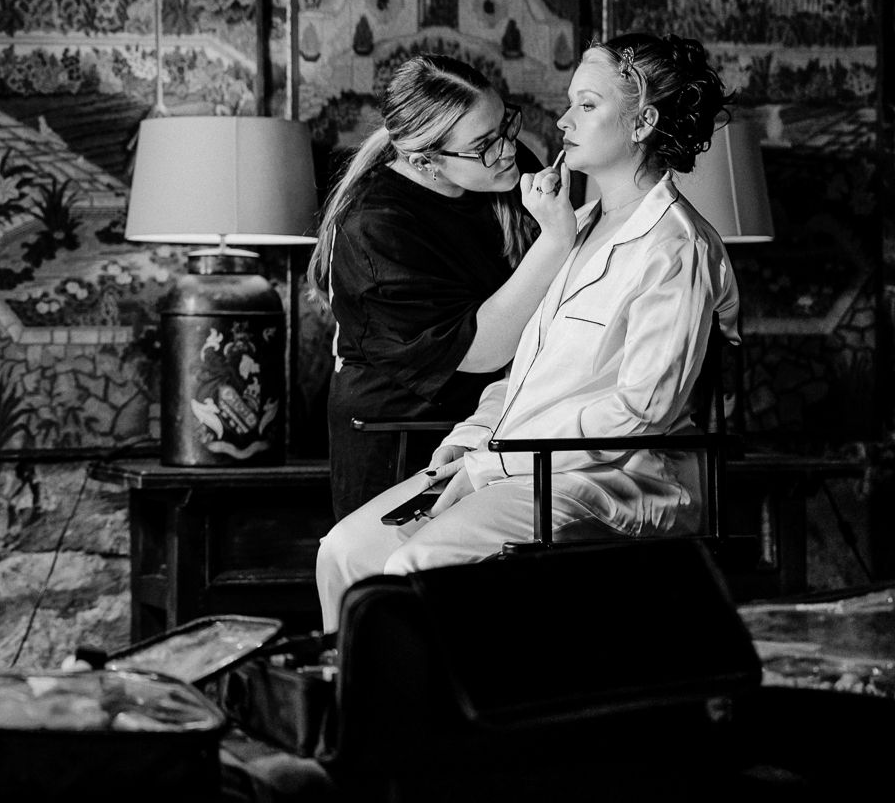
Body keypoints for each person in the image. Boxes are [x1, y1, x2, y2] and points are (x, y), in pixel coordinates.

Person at [316, 34, 740, 631]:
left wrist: (493, 461)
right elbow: (522, 370)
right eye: (570, 103)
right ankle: (366, 716)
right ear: (424, 160)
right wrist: (469, 440)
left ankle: (454, 720)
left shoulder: (675, 247)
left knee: (422, 562)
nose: (561, 121)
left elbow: (642, 408)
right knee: (347, 551)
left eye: (586, 106)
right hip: (502, 453)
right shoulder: (575, 223)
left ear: (643, 121)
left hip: (614, 475)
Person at [312, 55, 577, 518]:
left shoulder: (500, 166)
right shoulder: (374, 228)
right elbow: (480, 350)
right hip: (401, 436)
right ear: (423, 160)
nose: (509, 151)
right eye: (484, 144)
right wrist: (555, 241)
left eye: (505, 126)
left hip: (492, 423)